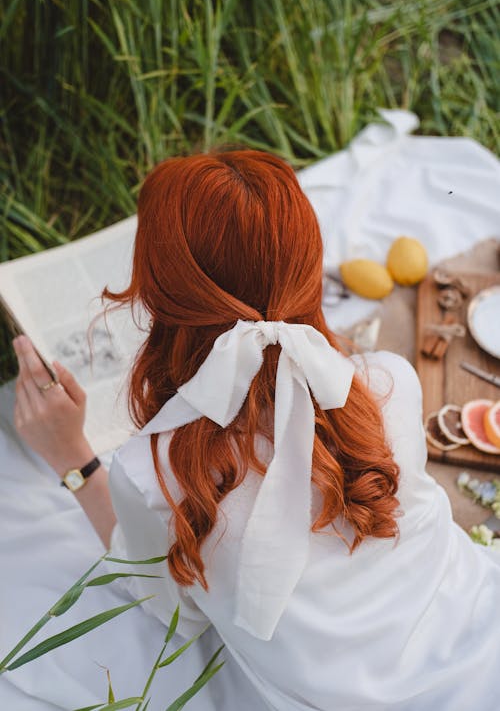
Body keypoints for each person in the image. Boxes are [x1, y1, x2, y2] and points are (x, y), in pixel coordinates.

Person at [4, 149, 500, 710]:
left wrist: (75, 459)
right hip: (483, 637)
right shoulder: (389, 382)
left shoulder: (152, 470)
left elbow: (168, 610)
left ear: (158, 304)